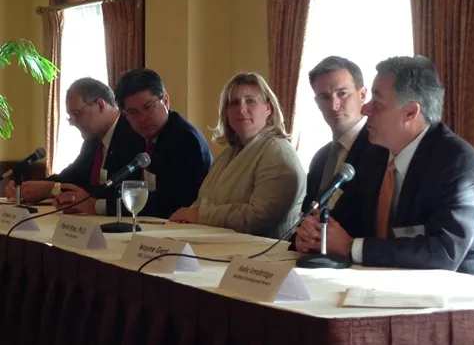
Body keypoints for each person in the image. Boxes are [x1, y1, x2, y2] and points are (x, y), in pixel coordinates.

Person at [295, 55, 474, 281]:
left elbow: (443, 253)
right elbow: (347, 223)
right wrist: (316, 236)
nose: (366, 109)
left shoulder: (457, 163)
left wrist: (351, 247)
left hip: (473, 293)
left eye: (377, 102)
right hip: (397, 283)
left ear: (410, 112)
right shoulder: (375, 155)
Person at [57, 68, 213, 218]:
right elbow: (121, 188)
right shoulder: (145, 137)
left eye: (148, 107)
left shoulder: (184, 139)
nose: (142, 118)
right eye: (133, 112)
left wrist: (96, 206)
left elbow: (168, 203)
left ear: (165, 101)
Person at [169, 72, 306, 239]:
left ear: (268, 108)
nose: (241, 109)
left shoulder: (277, 153)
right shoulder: (229, 153)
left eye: (251, 101)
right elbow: (203, 203)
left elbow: (258, 218)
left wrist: (199, 216)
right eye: (234, 102)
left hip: (261, 253)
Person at [6, 77, 144, 212]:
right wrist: (30, 188)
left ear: (100, 105)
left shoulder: (134, 132)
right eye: (70, 116)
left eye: (76, 114)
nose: (72, 122)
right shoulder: (93, 140)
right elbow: (72, 176)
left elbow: (113, 190)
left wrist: (51, 189)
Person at [302, 56, 370, 211]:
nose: (334, 105)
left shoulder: (381, 149)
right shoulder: (320, 157)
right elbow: (307, 211)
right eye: (324, 97)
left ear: (362, 95)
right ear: (317, 103)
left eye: (342, 93)